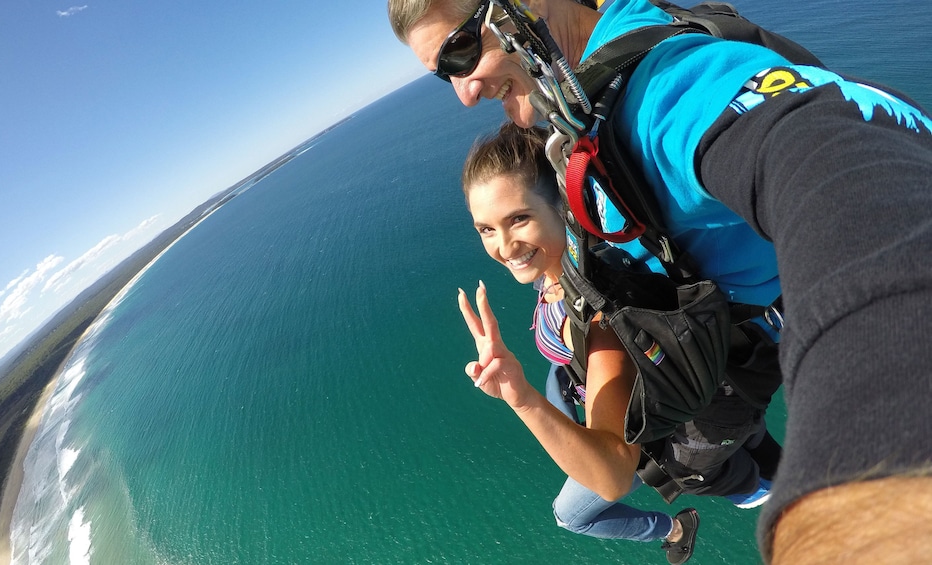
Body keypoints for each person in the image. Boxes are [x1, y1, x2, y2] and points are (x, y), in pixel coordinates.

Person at [388, 0, 932, 562]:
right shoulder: (599, 79)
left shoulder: (657, 96)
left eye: (461, 50)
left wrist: (875, 472)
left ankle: (760, 486)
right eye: (444, 72)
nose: (465, 93)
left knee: (699, 469)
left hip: (740, 351)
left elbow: (828, 151)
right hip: (725, 333)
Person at [458, 122, 780, 563]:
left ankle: (683, 524)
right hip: (700, 380)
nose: (504, 246)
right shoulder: (566, 265)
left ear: (561, 208)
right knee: (750, 437)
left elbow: (610, 476)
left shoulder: (597, 322)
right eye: (486, 229)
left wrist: (522, 398)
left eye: (518, 219)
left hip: (670, 424)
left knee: (571, 514)